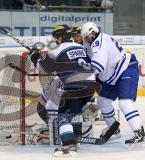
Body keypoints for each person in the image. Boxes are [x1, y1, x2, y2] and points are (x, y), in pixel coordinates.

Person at [29, 24, 101, 156]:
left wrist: (34, 57)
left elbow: (44, 67)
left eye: (56, 38)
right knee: (76, 110)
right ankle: (77, 135)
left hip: (74, 86)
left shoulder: (57, 49)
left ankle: (68, 145)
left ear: (59, 37)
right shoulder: (81, 46)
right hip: (90, 86)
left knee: (64, 116)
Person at [80, 22, 145, 145]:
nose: (86, 40)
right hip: (112, 76)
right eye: (85, 38)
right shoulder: (91, 43)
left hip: (126, 68)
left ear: (93, 33)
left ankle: (139, 133)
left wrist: (80, 68)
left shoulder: (101, 41)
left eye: (87, 37)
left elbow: (97, 67)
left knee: (125, 102)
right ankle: (114, 130)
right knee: (103, 102)